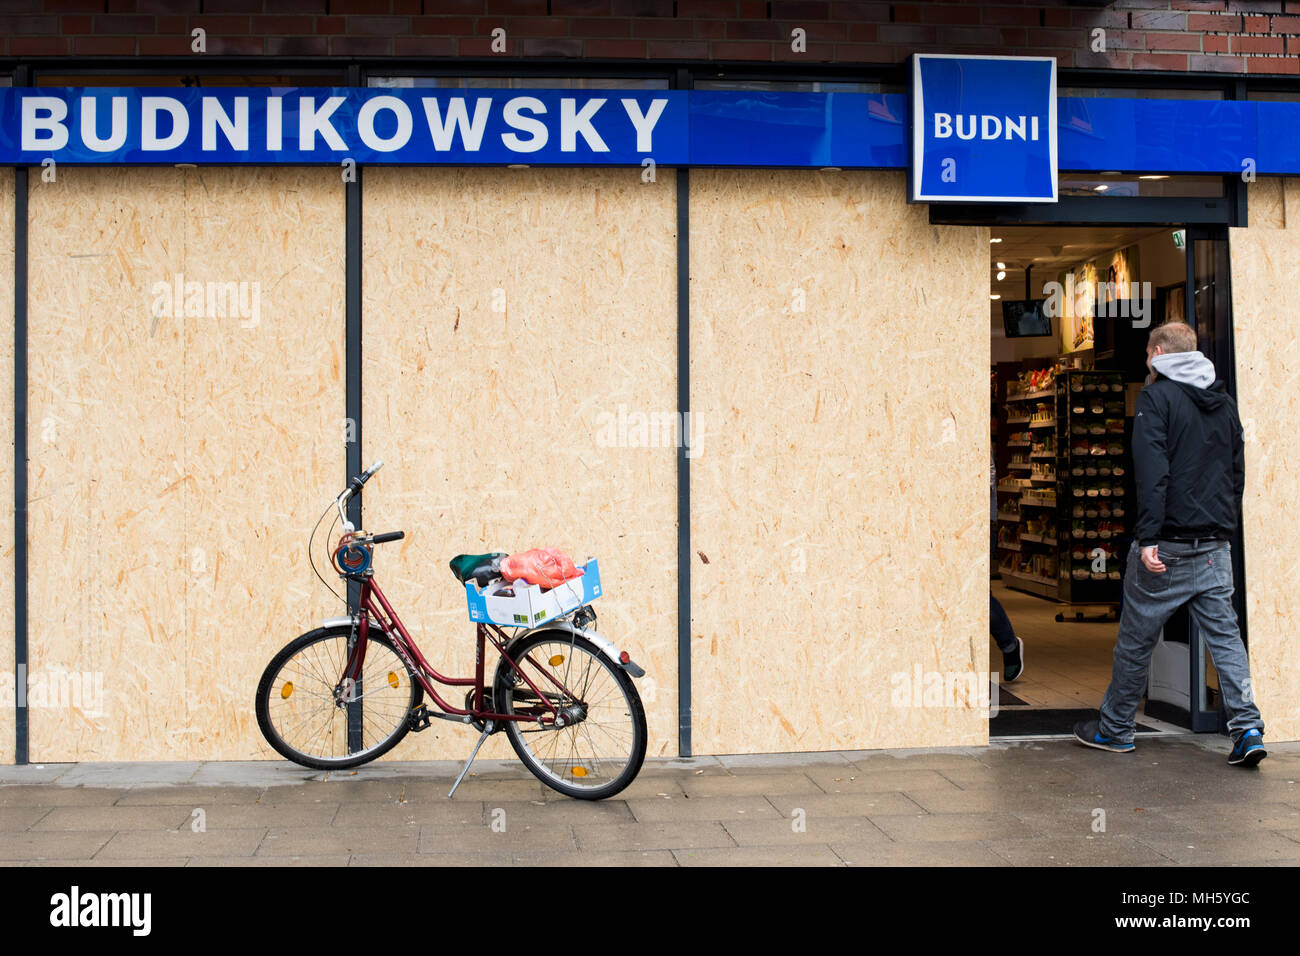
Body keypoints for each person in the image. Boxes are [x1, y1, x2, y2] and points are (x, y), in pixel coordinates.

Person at [1074, 321, 1266, 766]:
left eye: (1146, 354)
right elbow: (1236, 473)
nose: (1145, 362)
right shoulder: (1224, 402)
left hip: (1168, 544)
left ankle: (1116, 728)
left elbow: (1152, 472)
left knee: (1136, 638)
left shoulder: (1155, 400)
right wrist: (1224, 529)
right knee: (1226, 639)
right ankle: (1248, 728)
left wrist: (1148, 537)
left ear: (1159, 352)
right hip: (1215, 543)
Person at [991, 450, 1025, 682]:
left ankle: (1009, 645)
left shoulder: (972, 431)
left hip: (976, 524)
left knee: (976, 598)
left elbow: (986, 480)